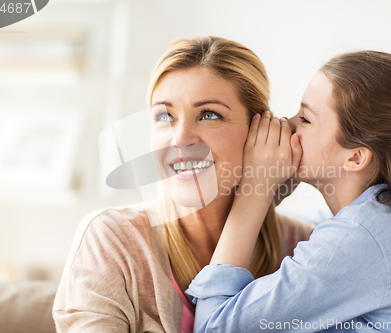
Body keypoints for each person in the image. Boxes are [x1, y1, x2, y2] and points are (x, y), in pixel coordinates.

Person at [186, 51, 391, 332]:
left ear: (356, 158)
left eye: (306, 119)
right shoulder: (386, 221)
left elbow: (215, 328)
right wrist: (269, 193)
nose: (286, 123)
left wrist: (254, 193)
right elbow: (313, 222)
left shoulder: (361, 236)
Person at [52, 36, 314, 333]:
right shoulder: (113, 240)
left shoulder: (303, 246)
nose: (180, 138)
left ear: (260, 130)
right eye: (165, 116)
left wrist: (259, 193)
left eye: (209, 115)